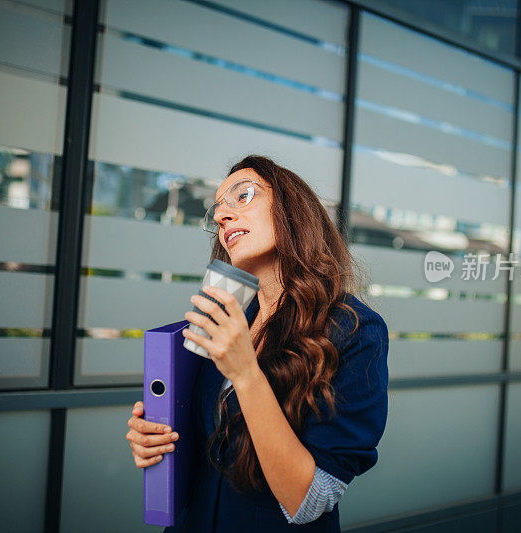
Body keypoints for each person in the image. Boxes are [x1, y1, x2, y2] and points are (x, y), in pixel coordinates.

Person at [126, 155, 389, 532]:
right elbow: (205, 445)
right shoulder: (227, 321)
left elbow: (308, 501)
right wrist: (156, 440)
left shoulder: (355, 330)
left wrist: (246, 373)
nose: (222, 216)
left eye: (242, 196)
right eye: (217, 210)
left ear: (291, 210)